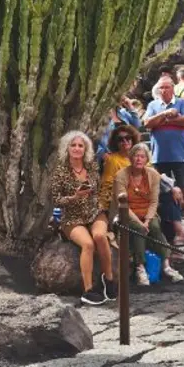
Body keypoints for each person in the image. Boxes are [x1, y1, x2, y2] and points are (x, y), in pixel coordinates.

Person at [50, 131, 115, 305]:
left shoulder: (92, 166)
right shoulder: (60, 171)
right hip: (72, 217)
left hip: (94, 212)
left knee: (100, 236)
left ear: (85, 149)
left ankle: (108, 279)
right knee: (88, 244)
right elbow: (56, 200)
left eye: (80, 145)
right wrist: (75, 197)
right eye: (73, 145)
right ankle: (88, 290)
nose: (77, 148)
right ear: (67, 148)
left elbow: (98, 190)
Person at [115, 143, 183, 285]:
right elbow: (123, 205)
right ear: (130, 158)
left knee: (155, 227)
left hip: (147, 212)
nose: (138, 159)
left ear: (147, 159)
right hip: (128, 213)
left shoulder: (152, 174)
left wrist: (147, 220)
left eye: (142, 156)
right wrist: (141, 223)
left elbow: (154, 202)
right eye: (135, 156)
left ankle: (166, 265)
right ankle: (140, 267)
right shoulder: (121, 175)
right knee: (140, 230)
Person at [144, 78, 184, 242]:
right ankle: (170, 221)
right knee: (164, 190)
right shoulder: (153, 105)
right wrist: (165, 114)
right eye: (161, 88)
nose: (164, 90)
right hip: (159, 154)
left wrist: (164, 120)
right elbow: (147, 123)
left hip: (181, 153)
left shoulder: (181, 102)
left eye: (167, 87)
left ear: (173, 88)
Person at [99, 123, 139, 211]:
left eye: (128, 138)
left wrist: (172, 188)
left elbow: (153, 175)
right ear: (116, 143)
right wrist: (103, 206)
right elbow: (107, 184)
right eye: (120, 139)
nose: (125, 141)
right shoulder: (112, 159)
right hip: (122, 200)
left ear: (133, 139)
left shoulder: (140, 156)